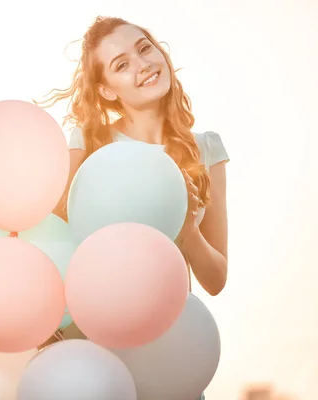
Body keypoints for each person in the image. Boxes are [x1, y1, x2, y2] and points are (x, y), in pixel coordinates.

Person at [34, 17, 229, 397]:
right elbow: (54, 245)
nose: (142, 65)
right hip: (93, 353)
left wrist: (187, 226)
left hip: (171, 352)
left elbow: (216, 279)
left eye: (144, 49)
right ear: (106, 90)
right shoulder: (89, 143)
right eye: (122, 64)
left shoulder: (208, 149)